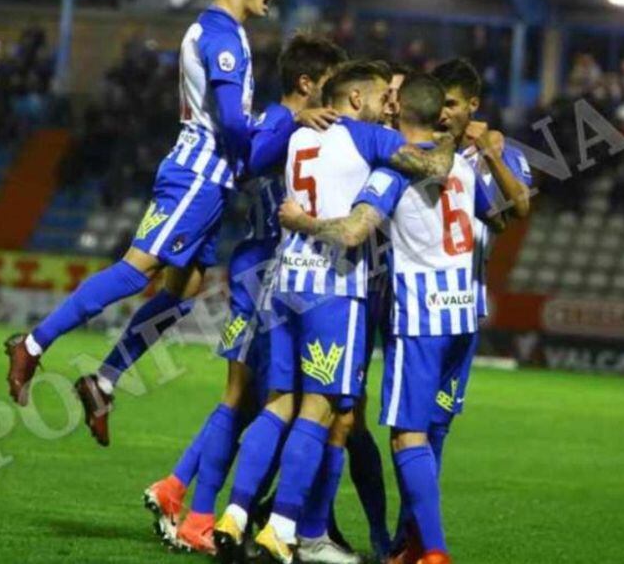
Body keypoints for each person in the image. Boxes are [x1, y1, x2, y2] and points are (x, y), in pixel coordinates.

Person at [2, 0, 276, 415]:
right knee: (136, 269)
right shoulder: (222, 35)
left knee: (184, 293)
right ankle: (32, 344)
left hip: (204, 176)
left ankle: (104, 382)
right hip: (198, 177)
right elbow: (231, 120)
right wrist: (260, 146)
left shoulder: (217, 29)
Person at [213, 62, 457, 564]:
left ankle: (234, 514)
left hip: (284, 282)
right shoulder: (366, 137)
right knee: (319, 410)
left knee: (277, 403)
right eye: (375, 98)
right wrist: (449, 135)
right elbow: (435, 168)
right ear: (353, 101)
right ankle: (281, 527)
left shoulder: (301, 137)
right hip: (334, 287)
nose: (385, 106)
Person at [276, 72, 506, 564]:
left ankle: (432, 551)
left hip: (420, 318)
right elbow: (503, 214)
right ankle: (407, 544)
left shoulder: (392, 171)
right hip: (464, 315)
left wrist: (302, 222)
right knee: (432, 430)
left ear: (400, 112)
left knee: (407, 435)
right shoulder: (462, 167)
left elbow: (355, 232)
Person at [142, 33, 348, 556]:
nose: (337, 95)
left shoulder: (288, 125)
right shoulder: (285, 123)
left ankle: (179, 489)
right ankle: (203, 512)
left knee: (249, 399)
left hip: (259, 266)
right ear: (308, 83)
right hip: (267, 268)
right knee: (249, 399)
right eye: (331, 85)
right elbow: (250, 163)